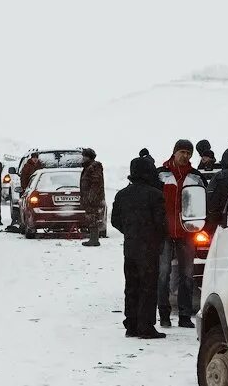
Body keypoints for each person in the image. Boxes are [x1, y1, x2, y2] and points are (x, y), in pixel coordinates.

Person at [111, 156, 167, 339]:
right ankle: (146, 326)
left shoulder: (121, 195)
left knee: (132, 286)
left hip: (130, 246)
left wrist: (129, 231)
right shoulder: (155, 195)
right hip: (149, 247)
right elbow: (161, 224)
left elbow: (115, 221)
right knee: (148, 287)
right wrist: (157, 238)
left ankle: (131, 325)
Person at [157, 139, 206, 328]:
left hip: (188, 232)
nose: (185, 156)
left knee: (187, 275)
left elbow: (203, 202)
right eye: (182, 152)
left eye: (189, 153)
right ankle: (164, 314)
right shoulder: (160, 175)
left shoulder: (195, 177)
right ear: (174, 153)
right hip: (165, 232)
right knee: (164, 274)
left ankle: (185, 316)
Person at [79, 147, 105, 247]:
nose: (82, 158)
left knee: (92, 217)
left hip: (92, 199)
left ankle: (94, 240)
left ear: (88, 157)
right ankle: (93, 238)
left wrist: (91, 197)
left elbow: (96, 183)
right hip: (89, 198)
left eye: (84, 156)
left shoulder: (93, 167)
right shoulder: (88, 167)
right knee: (90, 217)